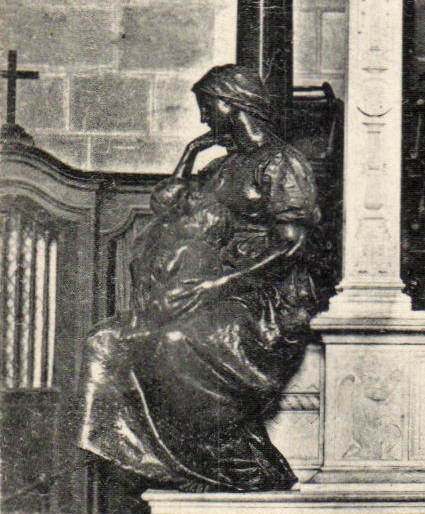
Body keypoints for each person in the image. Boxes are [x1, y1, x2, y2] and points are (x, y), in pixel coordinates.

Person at [80, 65, 328, 492]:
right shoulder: (221, 168)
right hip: (204, 292)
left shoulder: (282, 163)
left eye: (206, 106)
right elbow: (168, 205)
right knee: (104, 341)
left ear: (231, 105)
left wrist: (217, 285)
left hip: (261, 299)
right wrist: (191, 154)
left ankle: (230, 461)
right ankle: (144, 455)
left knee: (176, 343)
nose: (203, 118)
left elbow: (290, 246)